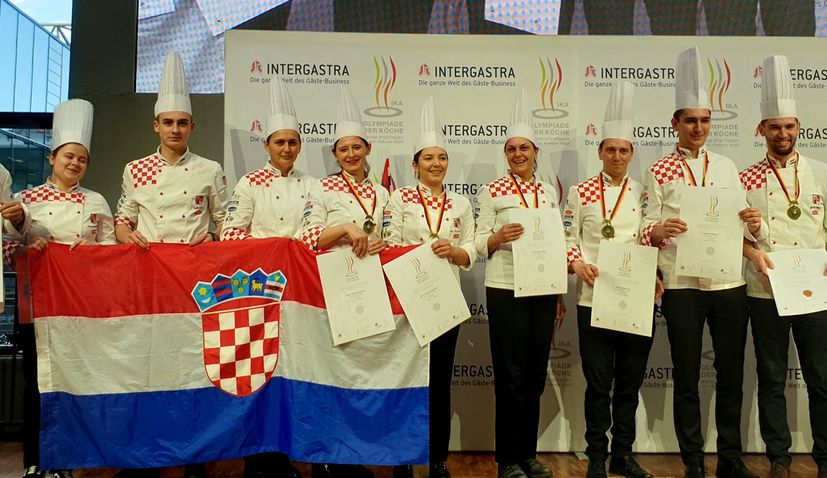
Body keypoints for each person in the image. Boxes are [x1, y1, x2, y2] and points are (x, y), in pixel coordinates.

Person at [639, 47, 760, 478]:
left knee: (731, 374)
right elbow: (645, 226)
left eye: (705, 120)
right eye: (690, 120)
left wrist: (753, 223)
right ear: (675, 123)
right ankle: (692, 458)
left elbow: (742, 226)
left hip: (728, 285)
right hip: (681, 284)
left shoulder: (728, 167)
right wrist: (658, 230)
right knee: (687, 375)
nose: (698, 128)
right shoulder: (658, 170)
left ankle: (730, 457)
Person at [114, 51, 228, 478]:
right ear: (156, 126)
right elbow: (122, 219)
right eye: (168, 122)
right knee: (149, 367)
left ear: (192, 126)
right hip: (150, 284)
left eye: (182, 122)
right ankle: (147, 455)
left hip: (197, 284)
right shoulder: (136, 170)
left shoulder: (210, 169)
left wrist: (213, 238)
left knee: (195, 366)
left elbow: (226, 222)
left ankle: (195, 456)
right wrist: (125, 234)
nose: (175, 129)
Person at [6, 99, 108, 478]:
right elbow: (6, 251)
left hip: (82, 310)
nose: (75, 164)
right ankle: (35, 461)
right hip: (37, 307)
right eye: (68, 156)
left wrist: (92, 251)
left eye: (82, 159)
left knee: (77, 386)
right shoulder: (25, 201)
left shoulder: (96, 201)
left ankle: (70, 460)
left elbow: (113, 253)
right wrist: (26, 249)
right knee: (38, 387)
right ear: (52, 158)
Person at [563, 81, 659, 478]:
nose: (617, 156)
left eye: (624, 150)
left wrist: (655, 273)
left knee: (630, 382)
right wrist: (576, 264)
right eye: (610, 150)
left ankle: (623, 453)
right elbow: (567, 238)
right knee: (599, 384)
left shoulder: (644, 192)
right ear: (600, 151)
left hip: (636, 297)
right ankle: (596, 457)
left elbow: (650, 234)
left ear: (632, 153)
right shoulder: (580, 191)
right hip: (593, 297)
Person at [740, 55, 827, 478]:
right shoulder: (745, 178)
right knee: (772, 377)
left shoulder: (822, 173)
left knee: (821, 377)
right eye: (774, 127)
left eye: (789, 126)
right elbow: (733, 238)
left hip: (815, 291)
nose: (783, 134)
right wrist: (751, 250)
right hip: (765, 291)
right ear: (762, 130)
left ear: (799, 128)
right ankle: (778, 456)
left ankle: (825, 455)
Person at [382, 97, 476, 478]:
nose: (436, 164)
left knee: (439, 383)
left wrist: (453, 251)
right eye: (428, 158)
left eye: (442, 157)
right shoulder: (400, 198)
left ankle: (438, 458)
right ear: (415, 164)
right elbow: (389, 245)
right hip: (408, 302)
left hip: (445, 304)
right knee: (406, 381)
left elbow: (471, 251)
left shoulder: (461, 203)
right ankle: (403, 459)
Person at [473, 89, 564, 478]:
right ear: (505, 153)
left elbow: (555, 243)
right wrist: (497, 238)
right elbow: (478, 241)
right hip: (506, 287)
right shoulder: (492, 190)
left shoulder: (548, 192)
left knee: (534, 374)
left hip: (542, 289)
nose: (518, 154)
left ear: (536, 151)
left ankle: (528, 453)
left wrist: (558, 293)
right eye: (511, 149)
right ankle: (507, 458)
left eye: (524, 148)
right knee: (510, 376)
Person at [301, 86, 388, 478]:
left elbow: (389, 238)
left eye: (356, 147)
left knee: (359, 374)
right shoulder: (321, 187)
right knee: (330, 372)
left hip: (370, 289)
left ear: (368, 148)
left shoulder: (383, 192)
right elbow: (308, 237)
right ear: (334, 154)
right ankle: (324, 457)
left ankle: (351, 455)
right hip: (331, 288)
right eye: (343, 149)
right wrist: (346, 229)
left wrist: (381, 244)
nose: (351, 154)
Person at [222, 78, 307, 477]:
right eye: (279, 142)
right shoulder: (249, 183)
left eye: (292, 142)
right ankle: (257, 459)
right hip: (259, 292)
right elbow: (229, 233)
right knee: (259, 373)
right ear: (267, 145)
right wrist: (274, 248)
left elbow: (313, 233)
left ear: (300, 146)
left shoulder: (310, 184)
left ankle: (285, 455)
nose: (286, 148)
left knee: (291, 371)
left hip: (299, 293)